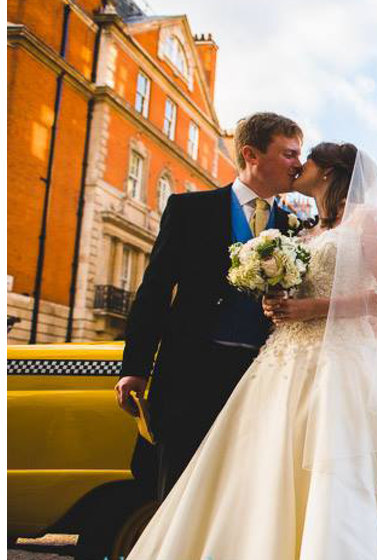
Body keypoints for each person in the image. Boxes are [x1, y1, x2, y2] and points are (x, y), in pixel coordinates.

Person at [124, 143, 377, 559]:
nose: (298, 165)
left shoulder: (367, 218)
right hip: (284, 361)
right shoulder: (305, 229)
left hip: (342, 365)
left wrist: (312, 308)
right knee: (267, 467)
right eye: (292, 154)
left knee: (340, 470)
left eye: (306, 158)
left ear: (329, 171)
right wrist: (275, 299)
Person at [113, 112, 304, 500]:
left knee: (244, 494)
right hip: (189, 374)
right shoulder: (190, 210)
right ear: (251, 154)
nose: (298, 164)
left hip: (261, 378)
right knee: (180, 488)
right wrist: (136, 368)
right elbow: (155, 290)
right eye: (288, 154)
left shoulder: (295, 226)